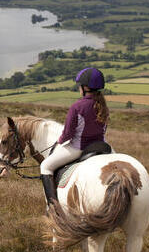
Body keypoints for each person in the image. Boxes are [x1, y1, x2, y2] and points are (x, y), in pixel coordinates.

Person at [40, 67, 109, 205]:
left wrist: (59, 141)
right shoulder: (103, 105)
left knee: (45, 166)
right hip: (103, 146)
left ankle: (53, 207)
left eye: (80, 86)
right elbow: (104, 128)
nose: (79, 88)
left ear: (85, 87)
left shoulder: (77, 107)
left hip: (80, 148)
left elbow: (67, 134)